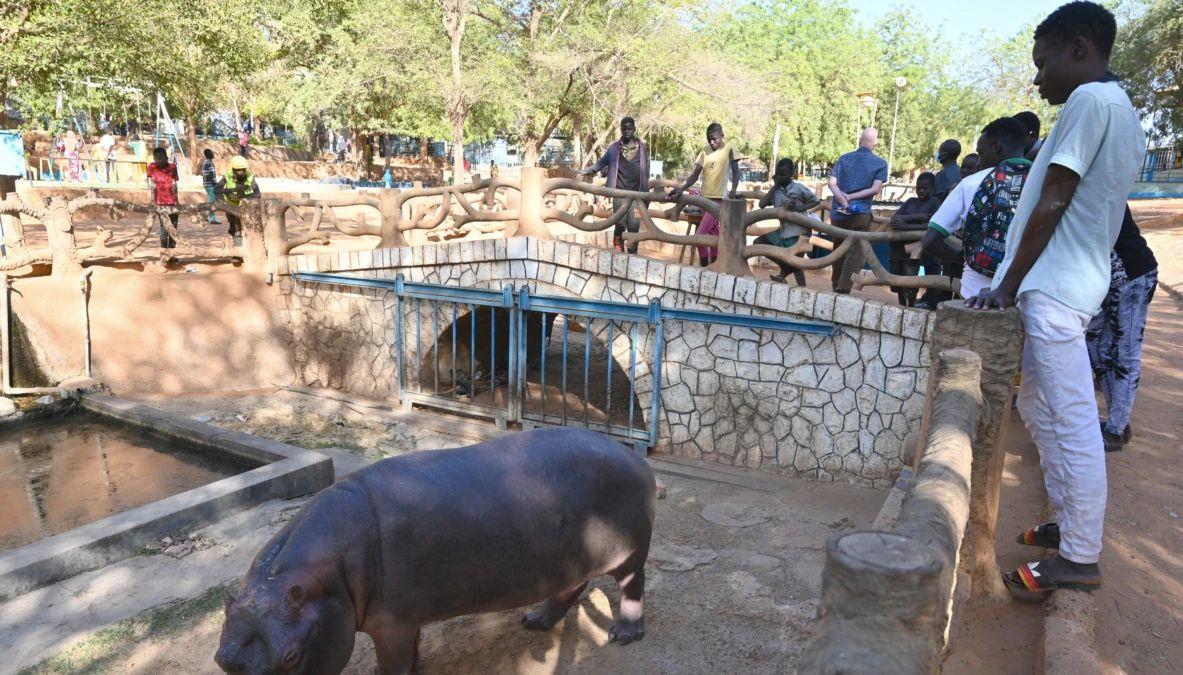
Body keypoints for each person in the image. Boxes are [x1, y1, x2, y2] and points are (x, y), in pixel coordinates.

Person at [968, 1, 1145, 596]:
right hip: (1067, 282)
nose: (1037, 79)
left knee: (1070, 418)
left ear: (1078, 49)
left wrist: (1007, 285)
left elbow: (1055, 197)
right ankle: (1068, 524)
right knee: (1043, 407)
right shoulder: (1117, 108)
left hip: (1056, 285)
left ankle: (1080, 556)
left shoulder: (1090, 101)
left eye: (1042, 65)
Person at [923, 117, 1031, 300]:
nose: (979, 161)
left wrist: (964, 257)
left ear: (996, 147)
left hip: (976, 292)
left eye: (981, 153)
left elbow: (930, 241)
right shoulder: (1049, 183)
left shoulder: (971, 183)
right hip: (1029, 295)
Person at [1086, 206, 1157, 452]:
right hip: (1109, 279)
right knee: (1094, 344)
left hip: (1133, 275)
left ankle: (1116, 430)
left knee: (1125, 352)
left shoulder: (1103, 184)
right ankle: (1119, 421)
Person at [668, 122, 739, 267]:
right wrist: (682, 188)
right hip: (704, 199)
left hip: (718, 200)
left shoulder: (730, 148)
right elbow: (695, 175)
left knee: (699, 236)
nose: (712, 142)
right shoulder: (704, 152)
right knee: (713, 235)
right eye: (709, 139)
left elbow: (737, 172)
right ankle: (714, 266)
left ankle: (705, 266)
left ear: (722, 136)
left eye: (715, 139)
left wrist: (734, 189)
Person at [827, 127, 887, 292]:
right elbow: (875, 189)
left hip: (838, 213)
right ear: (874, 144)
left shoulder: (844, 158)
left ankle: (835, 285)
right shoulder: (880, 163)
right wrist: (852, 198)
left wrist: (842, 197)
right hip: (860, 213)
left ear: (860, 140)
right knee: (856, 253)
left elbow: (832, 183)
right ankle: (843, 288)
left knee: (838, 249)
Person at [578, 117, 651, 254]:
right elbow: (600, 164)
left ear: (634, 129)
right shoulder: (614, 149)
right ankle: (618, 253)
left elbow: (646, 172)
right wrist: (586, 171)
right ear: (621, 130)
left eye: (629, 128)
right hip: (619, 194)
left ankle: (633, 256)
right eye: (624, 129)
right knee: (620, 224)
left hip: (638, 196)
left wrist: (646, 196)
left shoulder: (642, 149)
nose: (627, 131)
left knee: (634, 227)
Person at [753, 158, 821, 286]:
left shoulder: (798, 188)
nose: (779, 177)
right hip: (784, 231)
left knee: (795, 262)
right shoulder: (776, 191)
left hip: (799, 232)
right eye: (777, 174)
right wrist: (775, 186)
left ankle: (798, 285)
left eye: (782, 175)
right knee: (759, 243)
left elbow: (815, 201)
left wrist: (799, 208)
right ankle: (786, 270)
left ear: (790, 174)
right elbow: (762, 204)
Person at [887, 172, 941, 306]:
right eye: (918, 188)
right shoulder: (910, 202)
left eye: (925, 188)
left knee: (911, 281)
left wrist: (906, 225)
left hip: (919, 251)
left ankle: (911, 305)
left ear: (932, 188)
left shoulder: (935, 203)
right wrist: (920, 217)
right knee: (897, 279)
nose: (921, 191)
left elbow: (933, 224)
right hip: (900, 249)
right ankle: (902, 305)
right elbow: (895, 219)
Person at [216, 154, 261, 247]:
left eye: (242, 169)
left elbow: (257, 193)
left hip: (246, 208)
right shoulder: (227, 177)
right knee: (236, 228)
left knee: (249, 228)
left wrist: (246, 199)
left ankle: (250, 247)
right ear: (233, 169)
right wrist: (222, 202)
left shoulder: (250, 177)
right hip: (231, 207)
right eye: (238, 170)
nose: (240, 172)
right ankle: (238, 250)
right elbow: (217, 190)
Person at [146, 147, 180, 249]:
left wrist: (177, 201)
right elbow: (153, 185)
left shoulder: (172, 167)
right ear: (154, 158)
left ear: (166, 157)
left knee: (173, 228)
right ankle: (164, 252)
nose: (159, 160)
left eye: (161, 158)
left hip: (172, 203)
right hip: (160, 204)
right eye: (156, 158)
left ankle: (172, 252)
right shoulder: (152, 167)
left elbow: (174, 184)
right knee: (164, 228)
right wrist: (153, 201)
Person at [201, 148, 219, 224]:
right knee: (211, 202)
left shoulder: (209, 162)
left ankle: (207, 217)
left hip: (209, 184)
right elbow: (208, 175)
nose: (213, 154)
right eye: (211, 153)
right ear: (208, 154)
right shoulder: (207, 163)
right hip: (210, 185)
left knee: (211, 201)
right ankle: (210, 218)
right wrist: (215, 183)